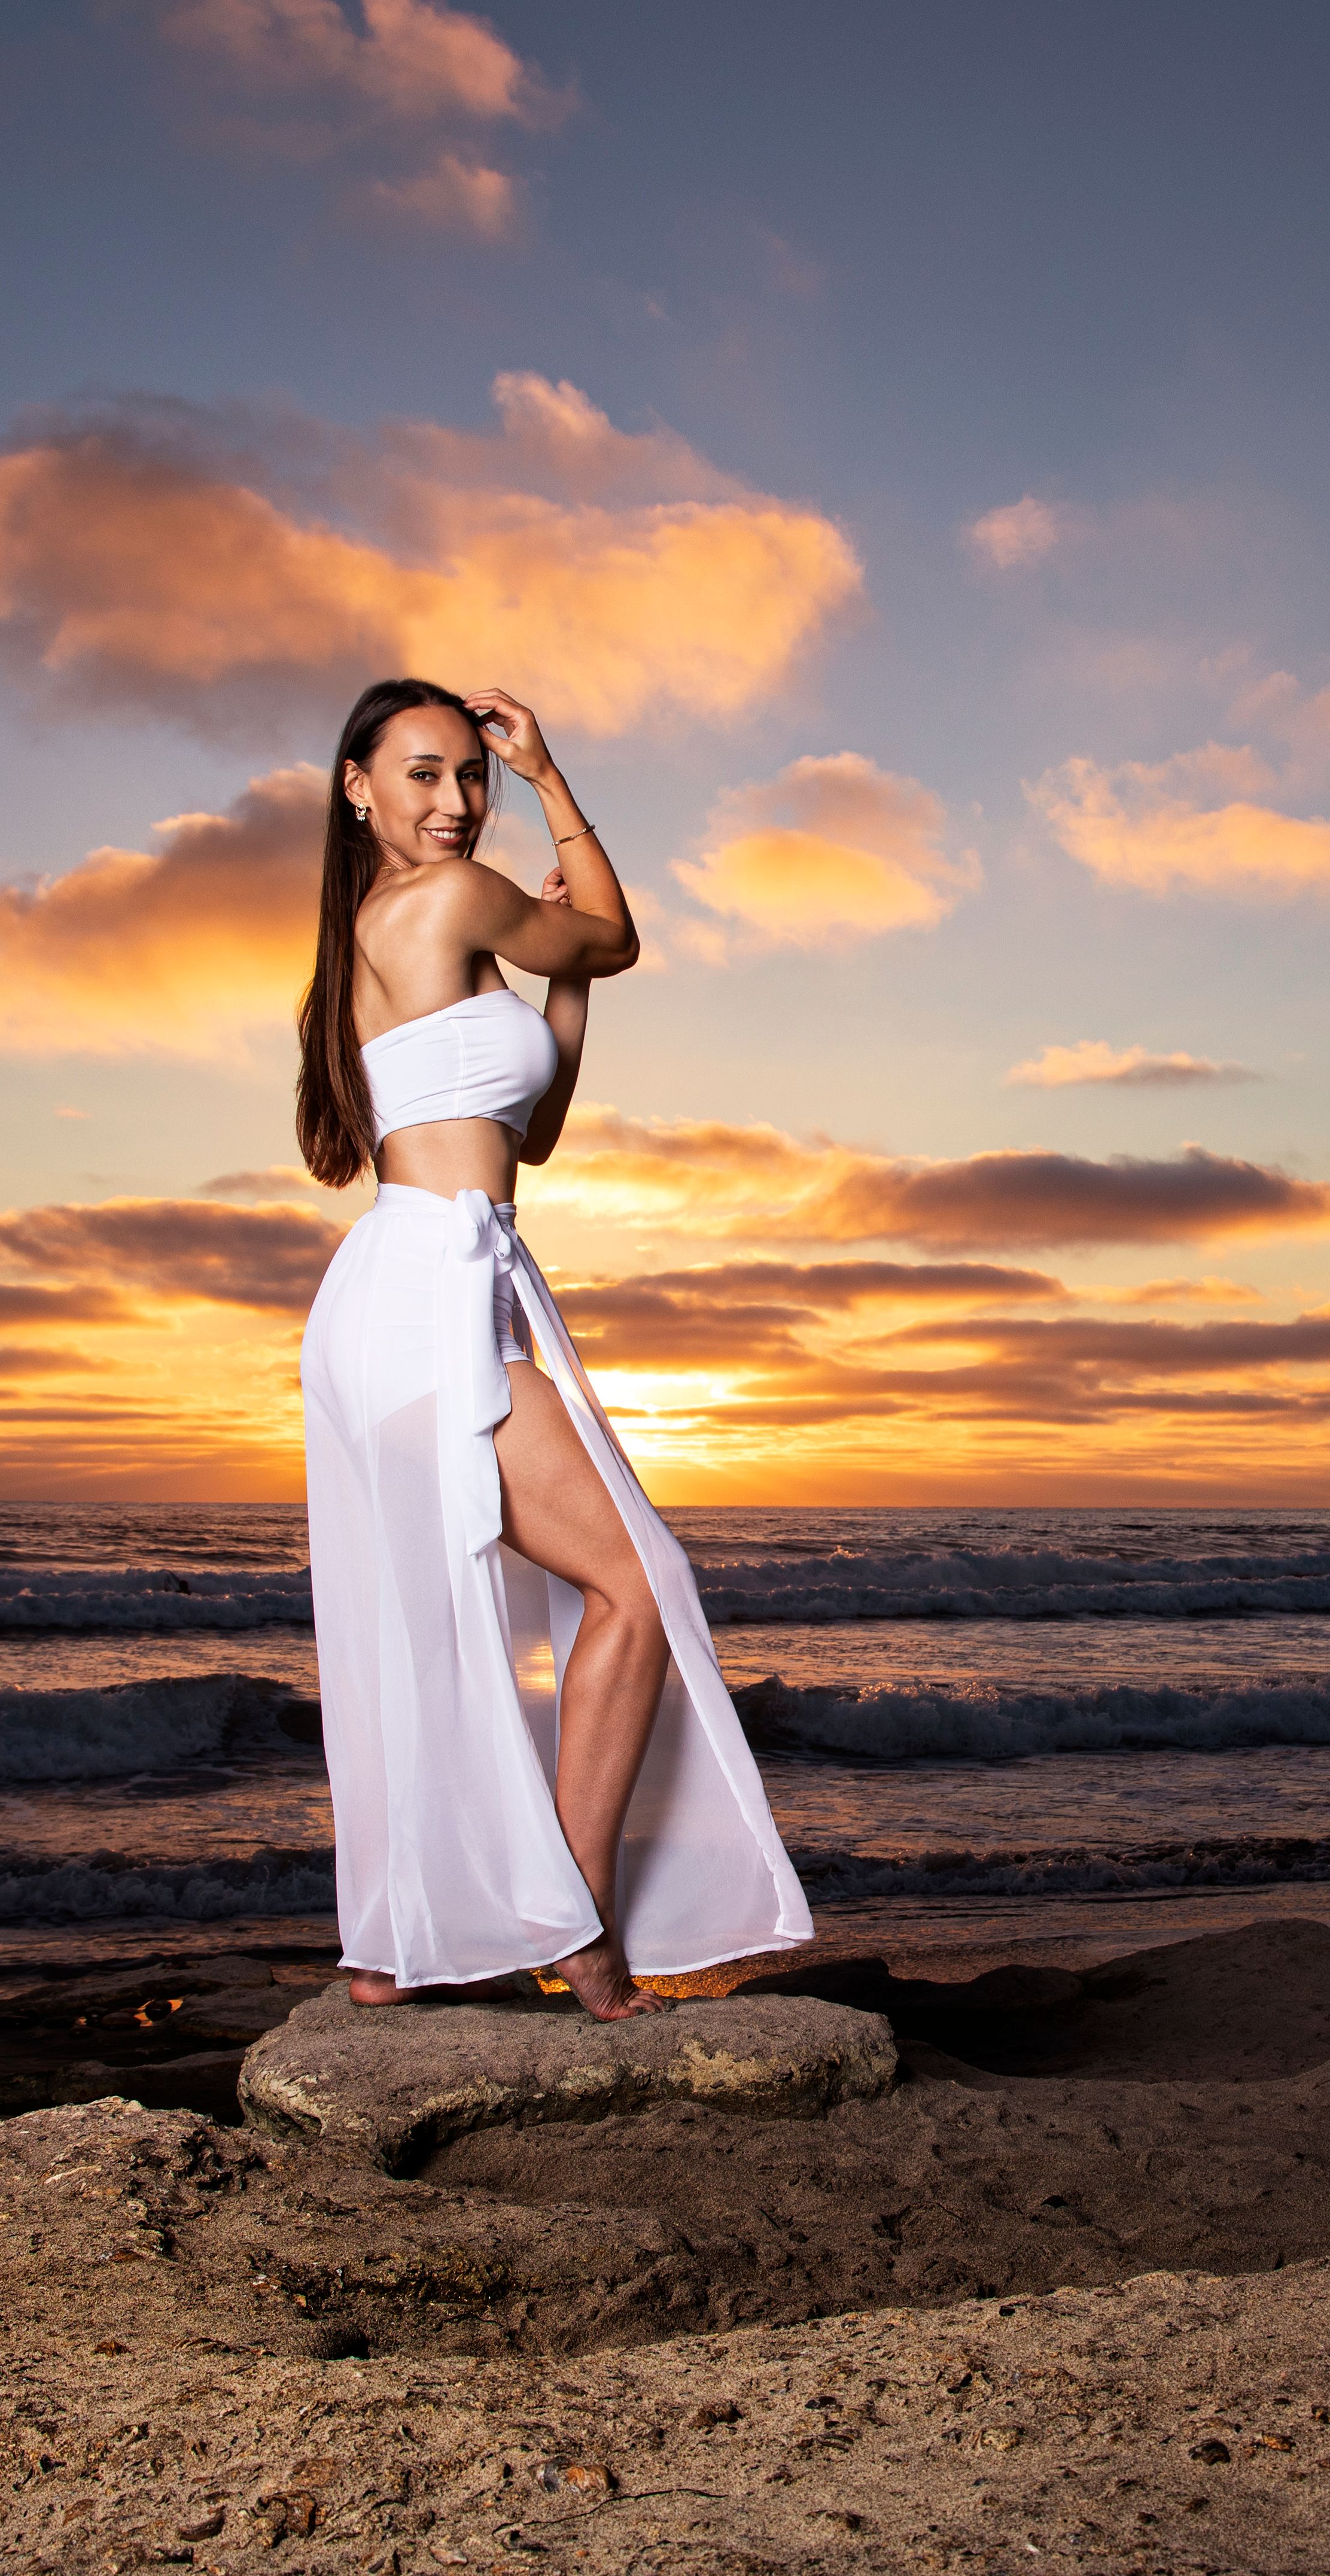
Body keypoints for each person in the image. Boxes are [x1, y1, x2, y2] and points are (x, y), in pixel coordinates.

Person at [294, 676, 812, 2019]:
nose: (456, 802)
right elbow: (615, 938)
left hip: (424, 1284)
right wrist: (552, 778)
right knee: (639, 1584)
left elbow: (533, 1132)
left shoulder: (395, 935)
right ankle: (576, 1927)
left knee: (428, 1629)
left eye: (472, 774)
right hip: (427, 1288)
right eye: (421, 775)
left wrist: (557, 996)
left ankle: (387, 1955)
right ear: (356, 787)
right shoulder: (445, 903)